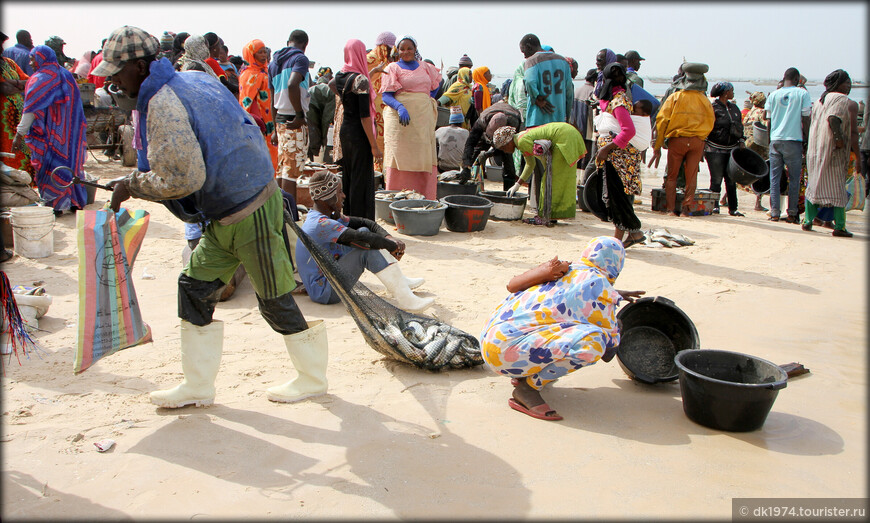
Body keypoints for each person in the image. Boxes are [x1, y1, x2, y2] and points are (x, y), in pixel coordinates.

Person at [95, 25, 326, 407]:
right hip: (226, 213)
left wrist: (132, 185)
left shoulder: (163, 102)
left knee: (275, 300)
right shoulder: (194, 78)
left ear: (139, 66)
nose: (114, 82)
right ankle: (198, 386)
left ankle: (312, 378)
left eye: (116, 72)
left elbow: (184, 176)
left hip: (250, 210)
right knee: (194, 287)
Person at [479, 236, 644, 421]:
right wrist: (617, 325)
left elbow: (577, 293)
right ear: (617, 264)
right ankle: (528, 389)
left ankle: (526, 372)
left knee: (558, 326)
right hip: (504, 355)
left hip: (491, 340)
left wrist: (614, 294)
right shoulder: (602, 290)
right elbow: (608, 352)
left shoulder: (565, 268)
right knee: (594, 344)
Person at [296, 171, 433, 312]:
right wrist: (392, 246)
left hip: (329, 278)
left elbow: (365, 223)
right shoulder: (320, 224)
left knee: (364, 231)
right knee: (365, 250)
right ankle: (406, 300)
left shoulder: (324, 215)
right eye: (339, 192)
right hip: (325, 291)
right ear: (328, 197)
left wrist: (388, 238)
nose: (343, 195)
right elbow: (362, 240)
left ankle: (400, 281)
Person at [12, 45, 87, 213]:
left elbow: (30, 110)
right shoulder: (66, 75)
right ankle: (74, 202)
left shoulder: (40, 79)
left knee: (51, 167)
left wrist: (19, 135)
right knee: (71, 166)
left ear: (41, 58)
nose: (31, 63)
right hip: (70, 135)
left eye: (32, 59)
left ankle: (55, 205)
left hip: (50, 136)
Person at [648, 62, 715, 216]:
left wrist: (658, 145)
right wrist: (701, 138)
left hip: (677, 140)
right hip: (697, 141)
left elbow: (662, 120)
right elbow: (711, 122)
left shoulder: (675, 97)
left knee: (672, 176)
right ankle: (686, 209)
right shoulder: (705, 100)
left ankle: (671, 209)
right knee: (691, 177)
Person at [379, 35, 441, 200]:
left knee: (423, 156)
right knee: (400, 156)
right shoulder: (392, 68)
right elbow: (386, 95)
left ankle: (425, 198)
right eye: (402, 49)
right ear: (397, 50)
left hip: (422, 121)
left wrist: (427, 99)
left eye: (409, 48)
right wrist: (400, 107)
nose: (405, 52)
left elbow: (436, 84)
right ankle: (396, 199)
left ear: (415, 50)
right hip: (401, 122)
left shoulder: (426, 67)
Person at [592, 63, 646, 246]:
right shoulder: (618, 98)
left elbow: (628, 130)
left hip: (619, 158)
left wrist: (606, 149)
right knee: (618, 197)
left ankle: (632, 233)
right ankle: (627, 235)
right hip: (617, 156)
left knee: (618, 197)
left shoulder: (618, 101)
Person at [802, 70, 859, 238]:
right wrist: (839, 141)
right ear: (837, 84)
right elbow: (834, 119)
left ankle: (807, 221)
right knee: (837, 189)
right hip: (832, 151)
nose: (849, 86)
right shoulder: (841, 100)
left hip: (815, 150)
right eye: (846, 82)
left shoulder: (821, 100)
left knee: (815, 185)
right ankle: (840, 226)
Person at [498, 122, 585, 226]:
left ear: (508, 142)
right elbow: (530, 164)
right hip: (569, 134)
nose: (505, 151)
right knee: (559, 179)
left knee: (549, 180)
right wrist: (517, 185)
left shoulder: (521, 142)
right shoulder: (520, 138)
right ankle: (552, 216)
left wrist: (549, 173)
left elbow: (544, 162)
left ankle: (544, 217)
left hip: (564, 138)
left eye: (503, 148)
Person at [332, 39, 381, 220]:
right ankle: (362, 224)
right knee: (361, 180)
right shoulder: (360, 80)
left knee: (349, 176)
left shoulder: (340, 76)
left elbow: (332, 85)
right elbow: (365, 117)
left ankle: (349, 218)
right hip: (360, 133)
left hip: (346, 131)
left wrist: (371, 72)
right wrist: (374, 145)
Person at [269, 30, 312, 202]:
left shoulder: (274, 63)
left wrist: (274, 128)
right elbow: (292, 84)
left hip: (280, 119)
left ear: (289, 42)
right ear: (305, 45)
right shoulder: (300, 59)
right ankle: (289, 216)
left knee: (283, 169)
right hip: (293, 120)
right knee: (291, 173)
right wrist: (300, 115)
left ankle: (281, 213)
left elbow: (273, 98)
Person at [765, 67, 812, 223]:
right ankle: (792, 213)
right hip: (794, 140)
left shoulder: (773, 95)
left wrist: (769, 141)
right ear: (797, 79)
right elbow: (806, 118)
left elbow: (768, 120)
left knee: (775, 179)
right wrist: (807, 138)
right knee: (794, 179)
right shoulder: (802, 94)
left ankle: (774, 212)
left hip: (776, 140)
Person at [460, 100, 522, 190]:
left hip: (507, 130)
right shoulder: (481, 121)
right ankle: (467, 180)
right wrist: (466, 166)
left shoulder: (513, 123)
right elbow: (470, 142)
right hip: (487, 127)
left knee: (507, 158)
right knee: (474, 153)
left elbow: (507, 148)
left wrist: (487, 154)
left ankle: (509, 192)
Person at [704, 82, 745, 216]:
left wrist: (741, 141)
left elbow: (740, 126)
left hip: (732, 149)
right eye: (731, 90)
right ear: (725, 93)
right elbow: (707, 126)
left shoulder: (734, 108)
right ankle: (714, 206)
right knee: (716, 179)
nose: (733, 93)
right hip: (714, 149)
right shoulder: (713, 108)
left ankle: (733, 208)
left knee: (731, 179)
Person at [238, 38, 278, 172]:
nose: (263, 55)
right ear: (252, 55)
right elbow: (247, 101)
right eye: (259, 52)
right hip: (258, 122)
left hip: (271, 119)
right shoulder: (248, 75)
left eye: (264, 52)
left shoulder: (268, 71)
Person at [519, 34, 573, 128]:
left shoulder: (531, 61)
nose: (524, 56)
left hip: (537, 120)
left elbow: (529, 81)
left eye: (524, 51)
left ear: (529, 47)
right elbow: (569, 92)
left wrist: (535, 98)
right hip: (559, 121)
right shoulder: (563, 61)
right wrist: (567, 116)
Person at [1, 31, 32, 174]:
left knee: (21, 152)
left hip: (17, 118)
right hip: (3, 122)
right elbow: (5, 89)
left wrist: (14, 83)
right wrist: (18, 84)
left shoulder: (10, 63)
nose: (2, 49)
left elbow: (29, 82)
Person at [366, 31, 396, 172]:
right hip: (372, 109)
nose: (390, 52)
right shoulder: (369, 60)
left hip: (386, 109)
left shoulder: (389, 61)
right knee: (375, 143)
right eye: (389, 48)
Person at [740, 91, 770, 211]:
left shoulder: (750, 111)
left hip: (747, 145)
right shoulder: (761, 112)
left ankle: (725, 197)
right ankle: (758, 203)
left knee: (744, 173)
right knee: (760, 174)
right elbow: (767, 127)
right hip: (759, 147)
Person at [307, 66, 336, 162]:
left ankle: (310, 160)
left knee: (311, 136)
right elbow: (326, 118)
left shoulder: (311, 89)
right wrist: (324, 140)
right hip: (313, 110)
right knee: (316, 139)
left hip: (309, 112)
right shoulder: (330, 90)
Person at [571, 68, 598, 170]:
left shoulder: (577, 90)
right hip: (588, 130)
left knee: (577, 156)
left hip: (575, 127)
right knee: (586, 157)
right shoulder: (592, 92)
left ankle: (576, 179)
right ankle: (582, 181)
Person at [435, 106, 468, 173]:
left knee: (436, 144)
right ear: (461, 122)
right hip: (459, 167)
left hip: (442, 167)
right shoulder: (466, 133)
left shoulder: (440, 130)